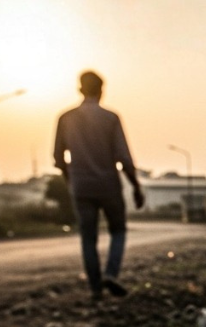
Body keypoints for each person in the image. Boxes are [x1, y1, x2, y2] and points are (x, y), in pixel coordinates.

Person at [53, 70, 145, 299]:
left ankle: (95, 289)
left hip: (81, 186)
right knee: (118, 230)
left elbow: (57, 157)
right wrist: (136, 186)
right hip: (108, 184)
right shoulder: (110, 118)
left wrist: (70, 180)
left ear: (80, 89)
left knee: (88, 237)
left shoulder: (66, 118)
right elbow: (123, 158)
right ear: (101, 91)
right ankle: (111, 273)